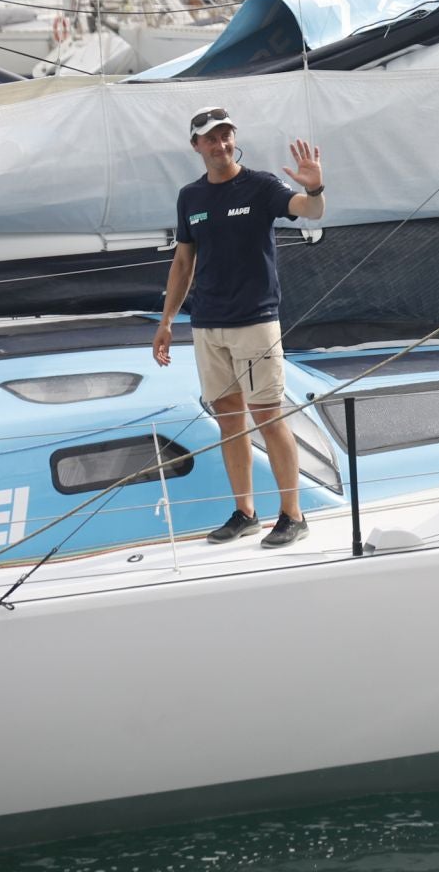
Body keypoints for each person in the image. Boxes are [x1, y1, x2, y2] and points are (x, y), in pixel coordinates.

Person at [152, 107, 327, 548]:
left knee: (268, 415)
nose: (221, 144)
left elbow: (308, 209)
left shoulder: (262, 185)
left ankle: (293, 514)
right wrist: (167, 320)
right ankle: (245, 512)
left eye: (226, 136)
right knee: (230, 420)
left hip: (255, 321)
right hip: (208, 324)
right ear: (196, 146)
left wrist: (315, 186)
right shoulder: (190, 197)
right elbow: (183, 261)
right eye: (211, 138)